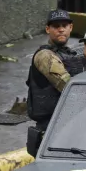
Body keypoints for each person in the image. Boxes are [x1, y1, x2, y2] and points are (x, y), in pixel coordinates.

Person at [25, 9, 76, 156]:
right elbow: (69, 87)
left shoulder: (68, 53)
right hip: (51, 129)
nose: (61, 29)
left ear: (70, 28)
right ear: (48, 29)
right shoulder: (45, 56)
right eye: (56, 26)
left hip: (65, 125)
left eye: (64, 25)